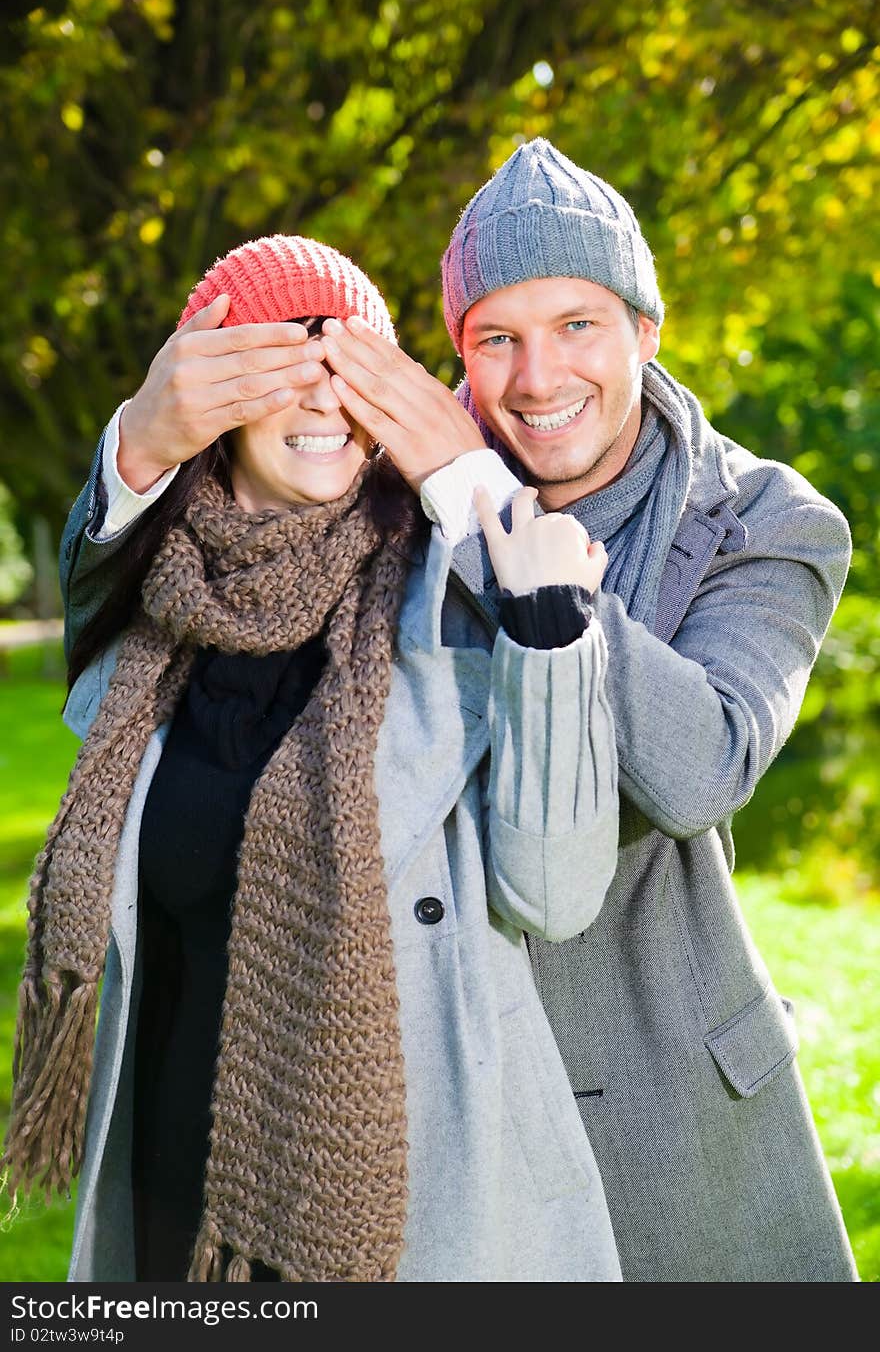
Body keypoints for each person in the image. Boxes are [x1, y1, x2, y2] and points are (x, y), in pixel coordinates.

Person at [3, 233, 623, 1283]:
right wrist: (140, 434)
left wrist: (551, 623)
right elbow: (97, 548)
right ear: (215, 400)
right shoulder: (153, 614)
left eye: (349, 370)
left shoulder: (451, 590)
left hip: (404, 1195)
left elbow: (555, 893)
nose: (324, 402)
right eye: (285, 369)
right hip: (173, 1176)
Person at [306, 140, 859, 1282]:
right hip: (427, 1100)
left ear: (646, 328)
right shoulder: (374, 490)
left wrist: (486, 507)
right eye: (495, 337)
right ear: (457, 348)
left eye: (577, 326)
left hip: (676, 1115)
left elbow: (698, 766)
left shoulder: (769, 521)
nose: (538, 377)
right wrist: (139, 449)